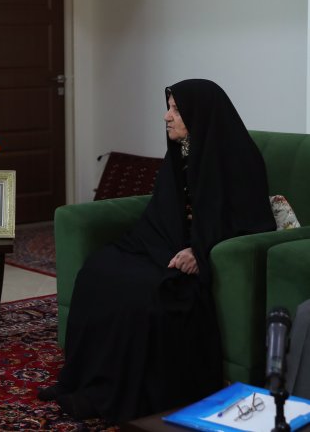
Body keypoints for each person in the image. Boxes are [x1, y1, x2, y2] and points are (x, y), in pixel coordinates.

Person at [38, 79, 275, 422]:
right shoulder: (181, 154)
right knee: (98, 270)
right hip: (166, 245)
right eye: (169, 107)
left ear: (199, 114)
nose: (167, 116)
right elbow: (164, 210)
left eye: (176, 110)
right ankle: (87, 380)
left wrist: (201, 251)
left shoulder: (239, 159)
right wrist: (167, 244)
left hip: (199, 253)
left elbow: (251, 222)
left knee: (149, 293)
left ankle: (126, 393)